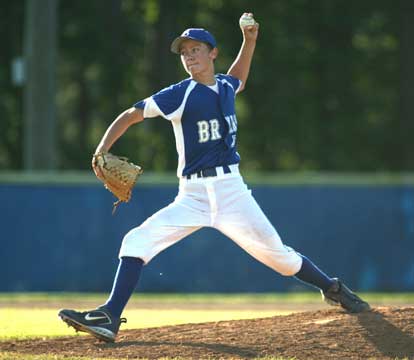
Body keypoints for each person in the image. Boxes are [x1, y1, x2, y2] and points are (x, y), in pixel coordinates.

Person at [59, 13, 370, 343]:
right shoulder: (179, 94)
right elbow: (131, 115)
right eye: (184, 53)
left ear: (213, 53)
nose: (189, 56)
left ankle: (332, 287)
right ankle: (109, 316)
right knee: (136, 241)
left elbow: (238, 79)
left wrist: (249, 41)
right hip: (191, 196)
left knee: (279, 256)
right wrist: (102, 148)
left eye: (195, 50)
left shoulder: (224, 86)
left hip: (231, 191)